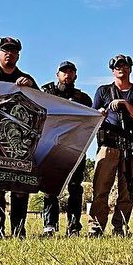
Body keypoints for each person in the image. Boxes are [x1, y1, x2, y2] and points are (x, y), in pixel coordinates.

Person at [88, 54, 133, 236]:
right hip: (108, 145)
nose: (120, 69)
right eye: (117, 66)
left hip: (132, 146)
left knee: (127, 191)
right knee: (100, 189)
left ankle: (120, 226)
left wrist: (125, 105)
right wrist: (100, 114)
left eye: (124, 66)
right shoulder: (103, 91)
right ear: (112, 70)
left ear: (130, 68)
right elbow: (92, 119)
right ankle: (96, 226)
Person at [0, 36, 38, 238]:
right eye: (5, 50)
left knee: (20, 187)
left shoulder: (25, 78)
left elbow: (41, 106)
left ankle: (18, 231)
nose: (10, 54)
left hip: (20, 144)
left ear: (18, 54)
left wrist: (31, 86)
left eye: (14, 51)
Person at [40, 61, 92, 236]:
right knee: (49, 188)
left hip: (75, 148)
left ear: (75, 75)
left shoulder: (83, 98)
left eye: (71, 72)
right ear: (57, 74)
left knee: (75, 188)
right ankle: (49, 226)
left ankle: (74, 226)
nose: (67, 75)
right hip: (51, 147)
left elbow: (90, 122)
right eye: (64, 71)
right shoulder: (46, 93)